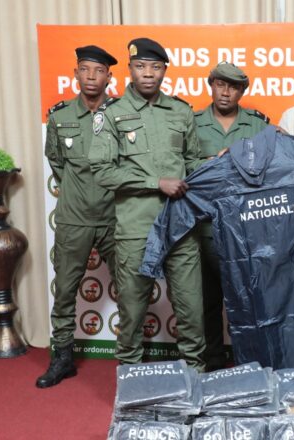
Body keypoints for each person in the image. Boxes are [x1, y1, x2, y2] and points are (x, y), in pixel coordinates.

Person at [89, 37, 206, 371]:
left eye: (155, 67)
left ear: (165, 70)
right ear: (130, 69)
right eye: (141, 66)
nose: (148, 74)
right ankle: (132, 387)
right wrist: (155, 183)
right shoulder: (112, 114)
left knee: (191, 311)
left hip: (181, 225)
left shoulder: (181, 111)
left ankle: (193, 383)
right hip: (136, 229)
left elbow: (193, 162)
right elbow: (101, 171)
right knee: (133, 312)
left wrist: (221, 166)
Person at [38, 45, 118, 388]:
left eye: (98, 71)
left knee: (131, 288)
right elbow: (58, 163)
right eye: (84, 70)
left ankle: (133, 359)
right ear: (75, 74)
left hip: (116, 216)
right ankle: (63, 358)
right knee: (67, 289)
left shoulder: (123, 114)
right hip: (73, 218)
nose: (90, 77)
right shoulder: (59, 117)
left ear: (109, 77)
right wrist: (78, 189)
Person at [194, 61, 269, 371]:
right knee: (207, 300)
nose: (225, 92)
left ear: (242, 91)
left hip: (246, 230)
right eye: (220, 85)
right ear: (210, 85)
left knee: (248, 300)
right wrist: (208, 165)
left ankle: (249, 361)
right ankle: (212, 360)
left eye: (233, 86)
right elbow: (177, 166)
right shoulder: (192, 122)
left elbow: (269, 169)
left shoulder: (257, 124)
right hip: (205, 226)